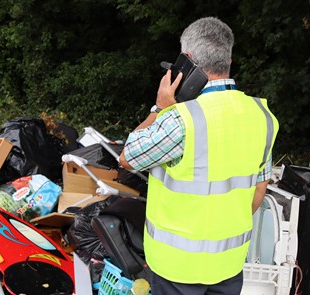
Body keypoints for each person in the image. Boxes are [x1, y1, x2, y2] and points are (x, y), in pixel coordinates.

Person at [119, 17, 279, 295]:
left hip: (176, 270)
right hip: (228, 266)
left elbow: (127, 157)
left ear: (188, 59)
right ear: (228, 57)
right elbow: (259, 190)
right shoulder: (262, 117)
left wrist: (159, 108)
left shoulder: (181, 118)